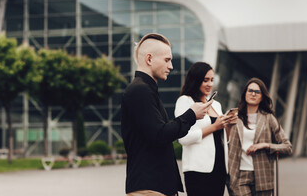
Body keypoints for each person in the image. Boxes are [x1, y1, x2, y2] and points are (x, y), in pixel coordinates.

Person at [121, 33, 213, 196]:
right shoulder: (140, 90)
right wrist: (191, 114)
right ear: (149, 59)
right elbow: (159, 134)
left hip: (154, 186)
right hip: (149, 187)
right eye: (167, 60)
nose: (171, 66)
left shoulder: (145, 89)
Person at [174, 62, 237, 196]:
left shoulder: (216, 105)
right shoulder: (185, 101)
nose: (209, 84)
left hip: (219, 167)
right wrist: (214, 127)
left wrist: (229, 125)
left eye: (212, 80)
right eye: (205, 80)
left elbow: (222, 139)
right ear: (196, 80)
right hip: (198, 169)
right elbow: (183, 138)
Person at [227, 77, 292, 196]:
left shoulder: (268, 118)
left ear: (262, 96)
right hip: (239, 176)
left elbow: (287, 147)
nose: (253, 94)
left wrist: (265, 145)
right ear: (245, 94)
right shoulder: (233, 116)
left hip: (263, 176)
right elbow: (225, 142)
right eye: (250, 90)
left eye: (257, 92)